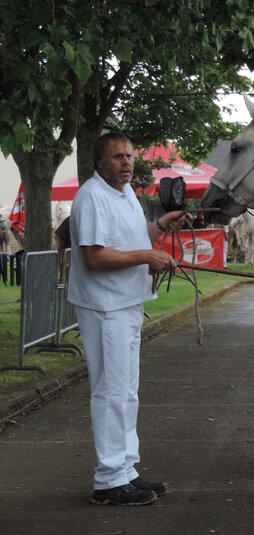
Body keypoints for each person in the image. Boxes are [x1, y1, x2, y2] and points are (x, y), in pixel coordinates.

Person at [68, 132, 187, 506]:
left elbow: (131, 238)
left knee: (127, 392)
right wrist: (147, 257)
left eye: (129, 156)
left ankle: (125, 469)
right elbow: (95, 257)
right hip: (105, 307)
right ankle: (108, 479)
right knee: (110, 392)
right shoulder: (91, 197)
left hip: (127, 303)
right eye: (117, 157)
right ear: (99, 163)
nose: (126, 162)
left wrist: (160, 227)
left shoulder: (126, 195)